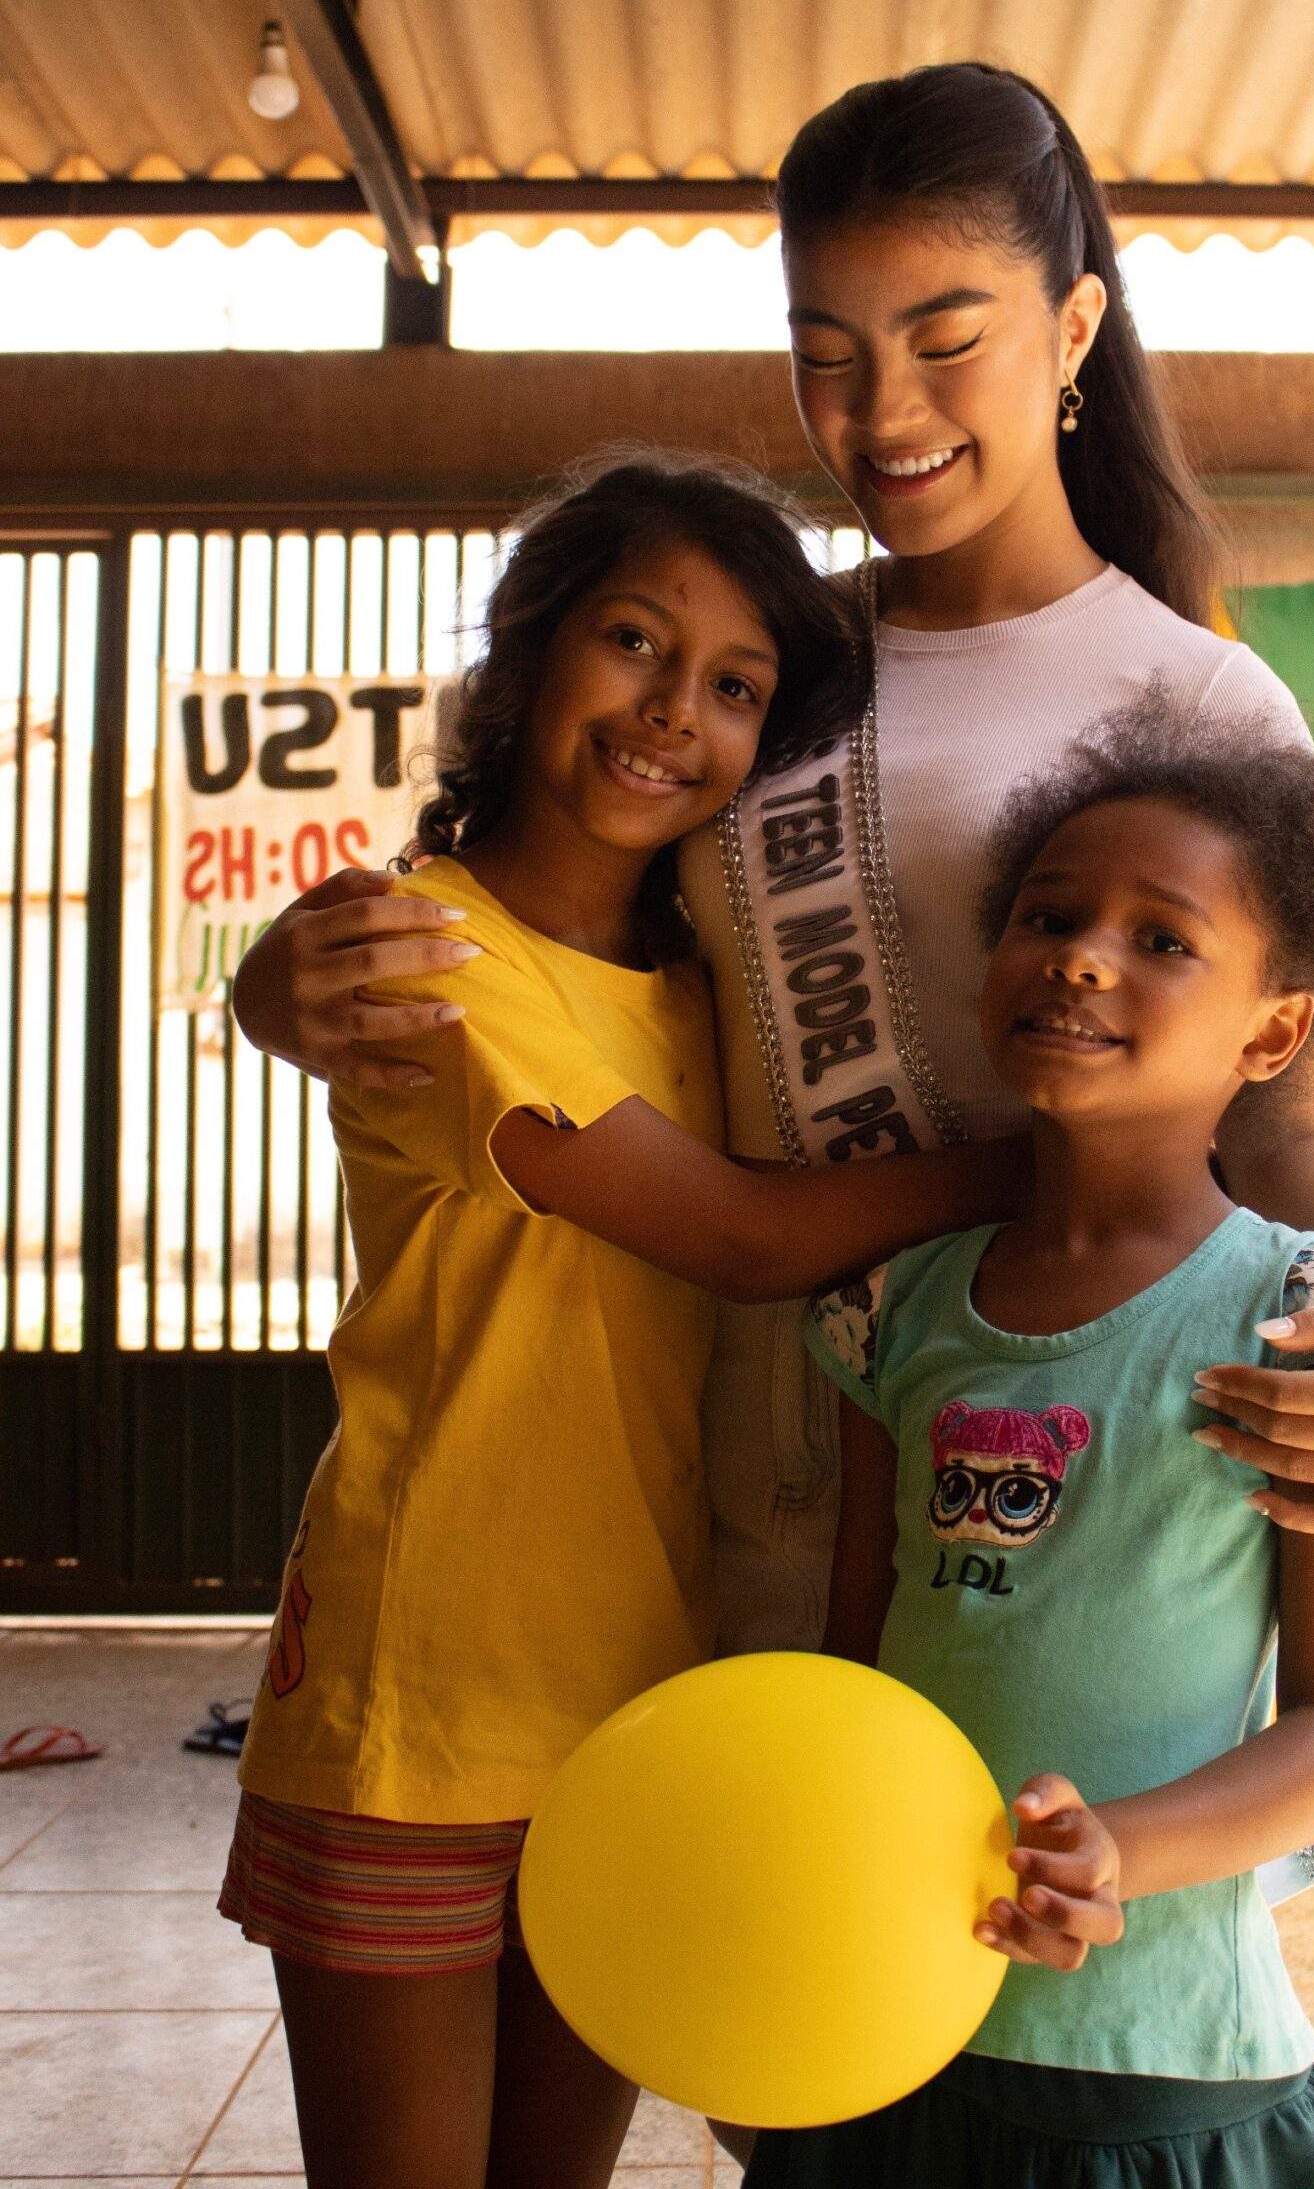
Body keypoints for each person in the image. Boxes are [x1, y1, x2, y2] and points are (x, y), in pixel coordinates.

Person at [233, 58, 1314, 1664]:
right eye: (824, 357)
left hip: (1057, 1499)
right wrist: (287, 989)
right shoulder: (763, 664)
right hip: (738, 1477)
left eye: (945, 342)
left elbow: (1287, 1126)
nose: (881, 414)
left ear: (1075, 335)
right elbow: (557, 940)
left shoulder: (1197, 693)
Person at [218, 456, 1023, 2189]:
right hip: (415, 1699)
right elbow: (743, 1238)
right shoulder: (426, 951)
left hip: (627, 1703)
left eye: (734, 687)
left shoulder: (700, 980)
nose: (674, 713)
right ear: (525, 652)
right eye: (633, 642)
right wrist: (1061, 1166)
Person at [746, 700, 1314, 2187]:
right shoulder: (900, 1308)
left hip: (1157, 2061)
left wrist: (1123, 1847)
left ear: (1275, 1029)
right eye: (1050, 916)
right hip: (901, 2026)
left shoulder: (1300, 1314)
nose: (1081, 955)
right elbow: (858, 1660)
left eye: (1162, 940)